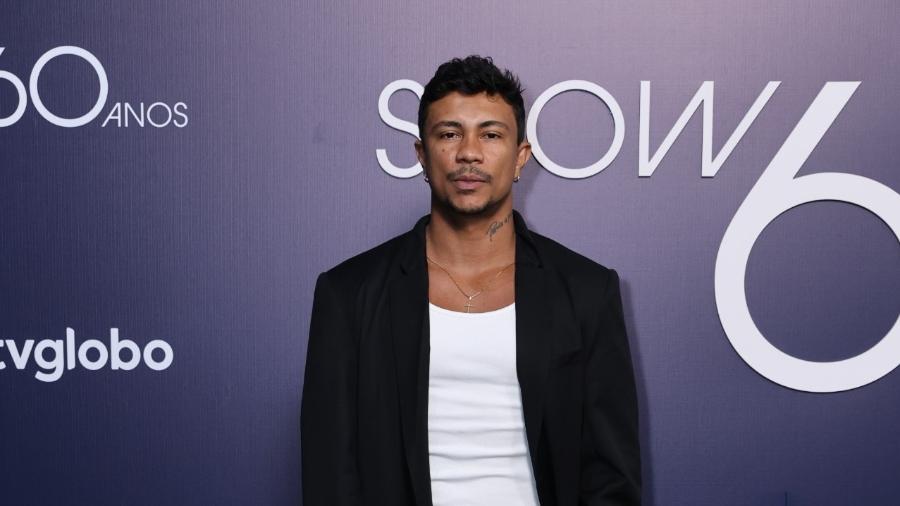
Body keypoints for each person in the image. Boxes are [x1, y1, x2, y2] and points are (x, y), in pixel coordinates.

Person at [301, 55, 641, 506]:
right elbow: (329, 476)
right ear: (421, 155)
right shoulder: (349, 294)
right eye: (449, 134)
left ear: (521, 157)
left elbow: (611, 478)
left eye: (491, 134)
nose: (469, 153)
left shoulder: (586, 292)